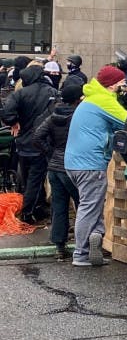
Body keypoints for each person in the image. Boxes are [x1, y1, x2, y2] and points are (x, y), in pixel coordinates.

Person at [64, 65, 127, 265]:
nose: (125, 86)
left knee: (92, 205)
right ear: (113, 85)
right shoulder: (104, 100)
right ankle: (81, 253)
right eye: (122, 82)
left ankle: (95, 239)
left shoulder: (92, 98)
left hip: (74, 162)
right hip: (90, 163)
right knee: (89, 207)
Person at [2, 63, 58, 224]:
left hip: (23, 142)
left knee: (28, 178)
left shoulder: (20, 94)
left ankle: (34, 208)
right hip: (42, 142)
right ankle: (29, 211)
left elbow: (6, 113)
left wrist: (14, 122)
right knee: (36, 179)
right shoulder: (51, 92)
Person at [34, 83, 84, 260]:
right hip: (72, 165)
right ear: (78, 99)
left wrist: (51, 152)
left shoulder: (53, 116)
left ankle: (59, 246)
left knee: (59, 206)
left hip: (54, 167)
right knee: (83, 205)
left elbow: (37, 136)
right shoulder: (78, 116)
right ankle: (83, 243)